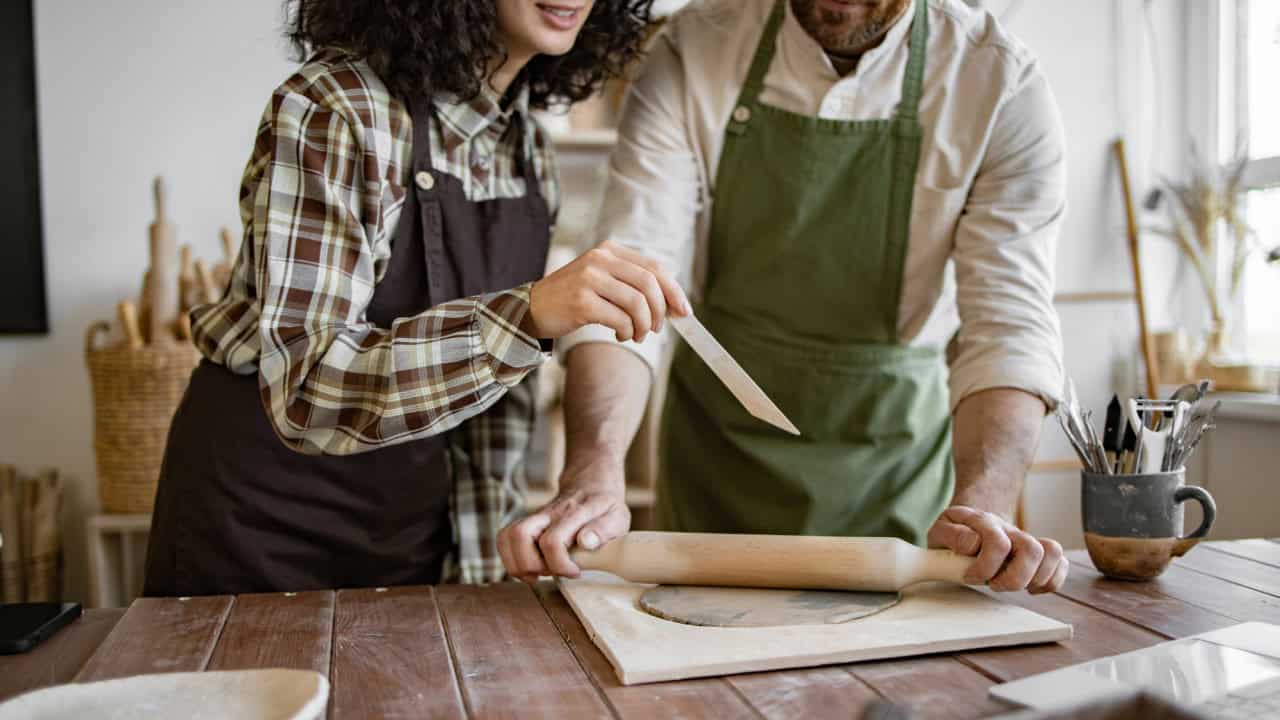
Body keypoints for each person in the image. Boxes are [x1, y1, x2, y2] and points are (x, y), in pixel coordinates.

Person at [500, 0, 1071, 594]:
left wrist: (986, 505)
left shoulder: (998, 84)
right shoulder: (695, 47)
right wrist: (594, 470)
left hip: (891, 470)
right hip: (718, 467)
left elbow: (1009, 328)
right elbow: (626, 281)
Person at [143, 0, 688, 596]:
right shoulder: (337, 107)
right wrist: (528, 316)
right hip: (260, 532)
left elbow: (491, 410)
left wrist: (488, 564)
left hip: (407, 535)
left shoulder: (526, 147)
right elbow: (306, 386)